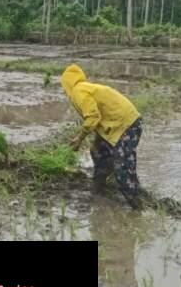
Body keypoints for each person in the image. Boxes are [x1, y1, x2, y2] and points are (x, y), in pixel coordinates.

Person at [61, 64, 143, 209]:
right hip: (115, 124)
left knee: (122, 166)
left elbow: (93, 117)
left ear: (66, 83)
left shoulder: (78, 91)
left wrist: (79, 139)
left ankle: (136, 206)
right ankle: (98, 190)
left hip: (127, 125)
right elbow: (100, 118)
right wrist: (96, 141)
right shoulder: (84, 88)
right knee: (97, 151)